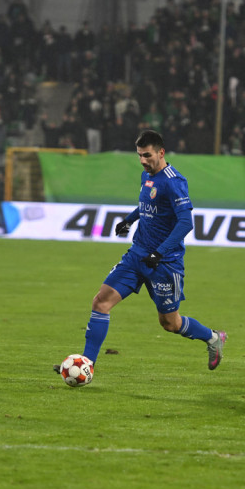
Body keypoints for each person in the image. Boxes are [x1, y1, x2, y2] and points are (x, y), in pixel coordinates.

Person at [64, 129, 226, 376]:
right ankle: (86, 365)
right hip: (137, 254)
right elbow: (147, 204)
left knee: (170, 323)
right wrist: (129, 220)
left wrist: (159, 253)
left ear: (161, 153)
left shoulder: (174, 182)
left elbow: (185, 223)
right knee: (101, 302)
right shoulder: (146, 176)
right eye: (139, 155)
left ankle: (213, 337)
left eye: (147, 155)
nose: (142, 161)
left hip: (164, 263)